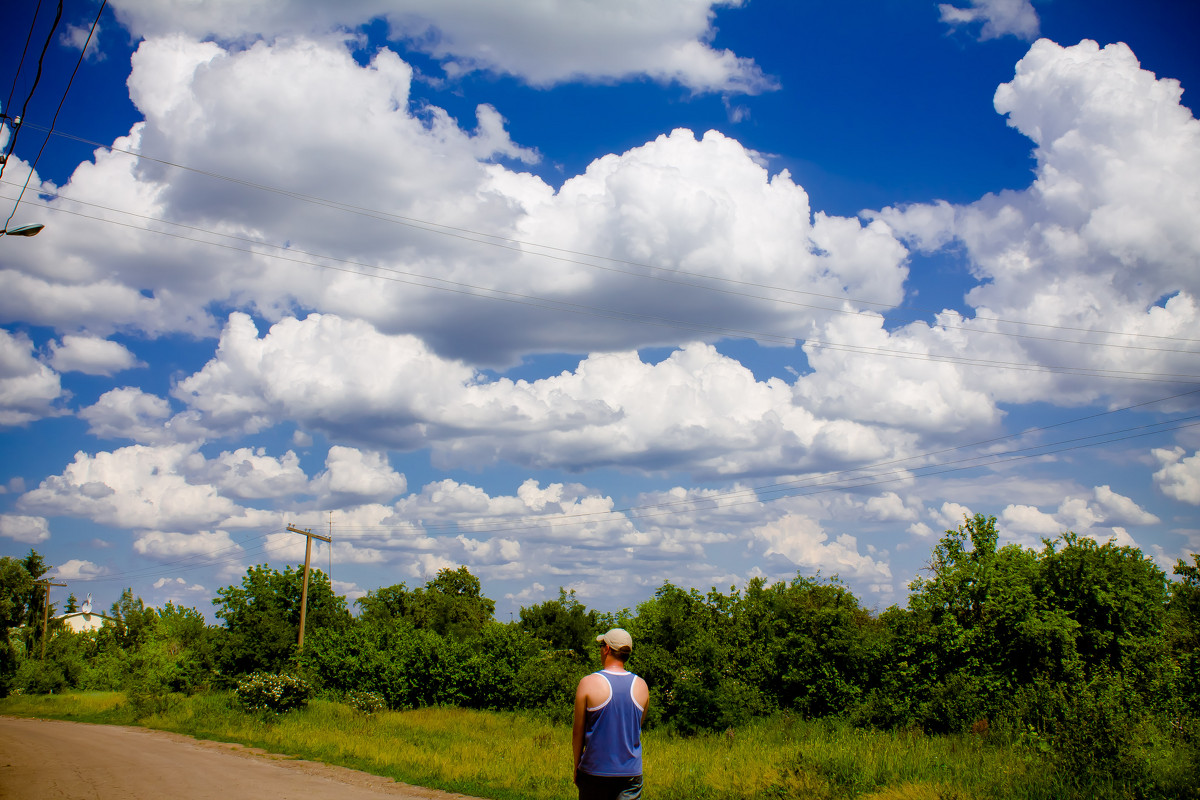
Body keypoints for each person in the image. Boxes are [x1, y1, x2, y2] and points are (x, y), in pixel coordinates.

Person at [572, 628, 650, 800]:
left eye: (601, 646)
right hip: (631, 773)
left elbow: (578, 731)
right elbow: (637, 727)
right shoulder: (642, 685)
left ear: (606, 649)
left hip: (595, 771)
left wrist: (577, 765)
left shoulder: (588, 683)